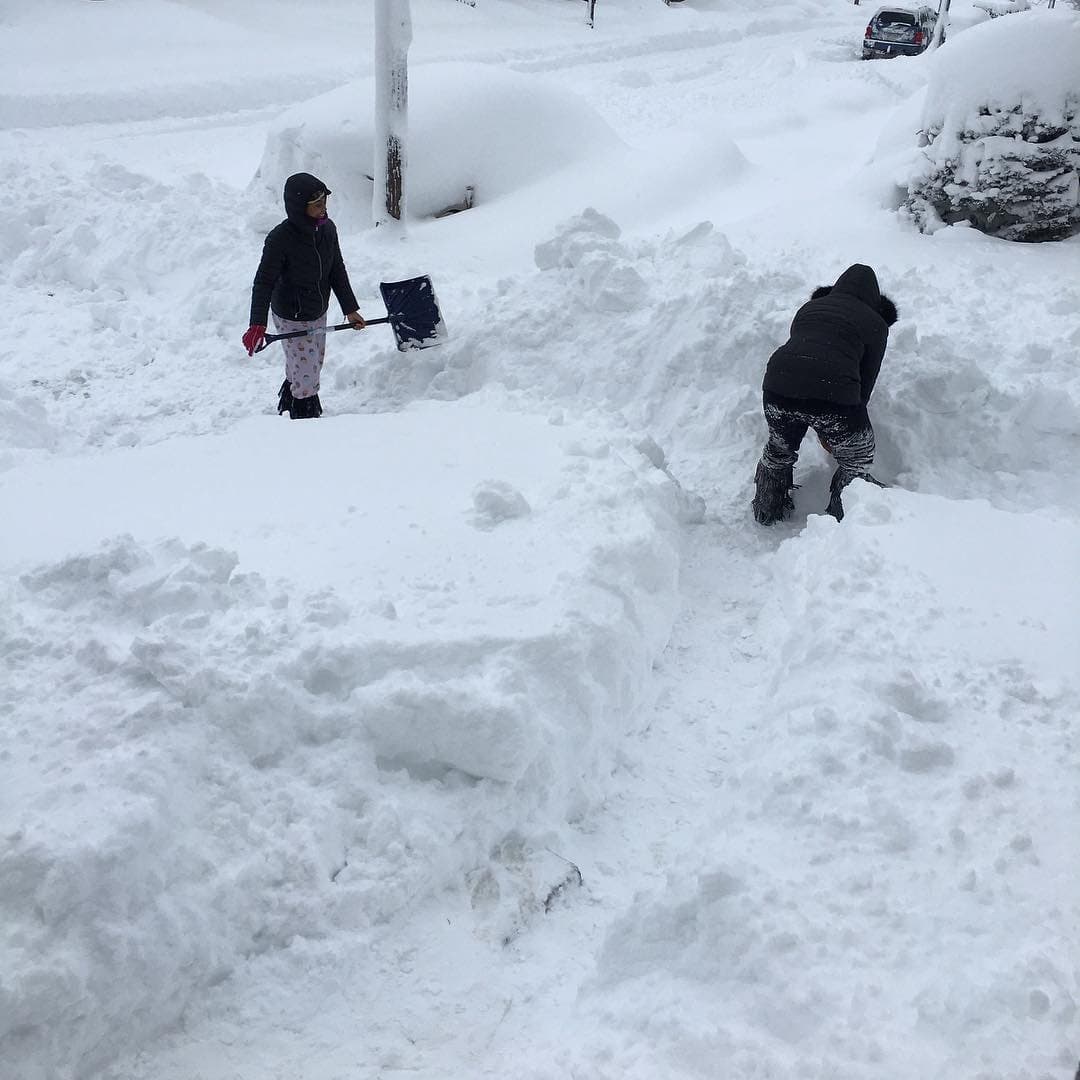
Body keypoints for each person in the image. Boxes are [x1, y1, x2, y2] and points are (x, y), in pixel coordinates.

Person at [752, 263, 898, 524]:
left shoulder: (809, 308)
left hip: (777, 386)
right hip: (833, 393)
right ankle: (845, 524)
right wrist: (836, 430)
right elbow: (864, 386)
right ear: (875, 299)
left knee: (779, 449)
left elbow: (803, 356)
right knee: (857, 459)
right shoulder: (876, 323)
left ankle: (767, 508)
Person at [242, 172, 366, 419]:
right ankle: (304, 417)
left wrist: (350, 309)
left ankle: (290, 398)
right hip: (291, 313)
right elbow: (263, 282)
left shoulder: (328, 230)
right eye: (317, 205)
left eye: (324, 203)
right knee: (307, 371)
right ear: (299, 207)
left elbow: (336, 270)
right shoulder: (280, 239)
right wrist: (257, 323)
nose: (323, 210)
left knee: (310, 363)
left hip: (317, 308)